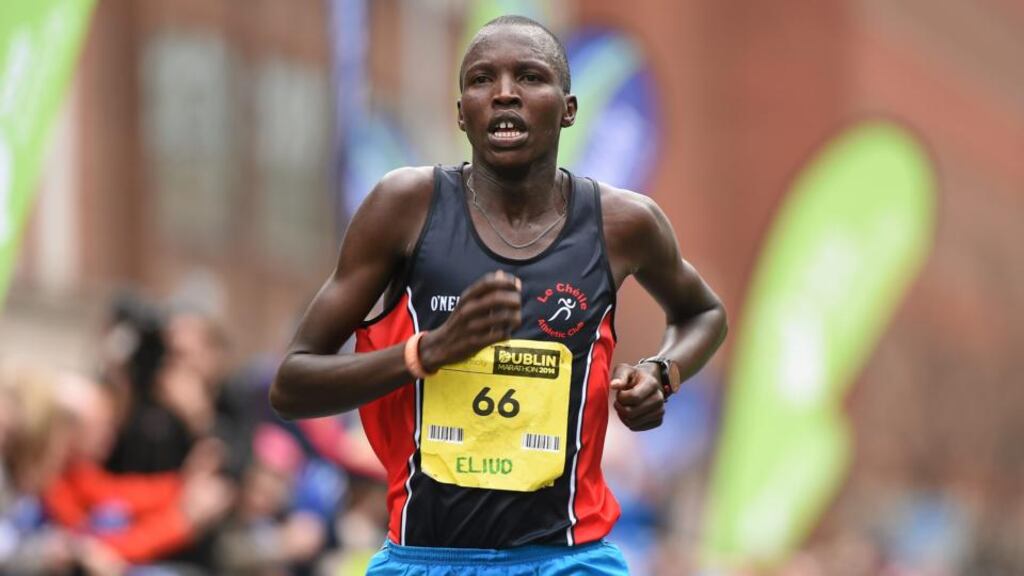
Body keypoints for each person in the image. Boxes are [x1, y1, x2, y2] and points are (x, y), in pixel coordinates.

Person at [271, 14, 727, 575]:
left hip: (568, 560)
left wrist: (663, 371)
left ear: (568, 108)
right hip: (427, 557)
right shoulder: (405, 206)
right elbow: (292, 383)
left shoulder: (621, 223)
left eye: (530, 77)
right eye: (482, 79)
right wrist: (426, 353)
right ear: (462, 112)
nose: (505, 93)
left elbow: (703, 314)